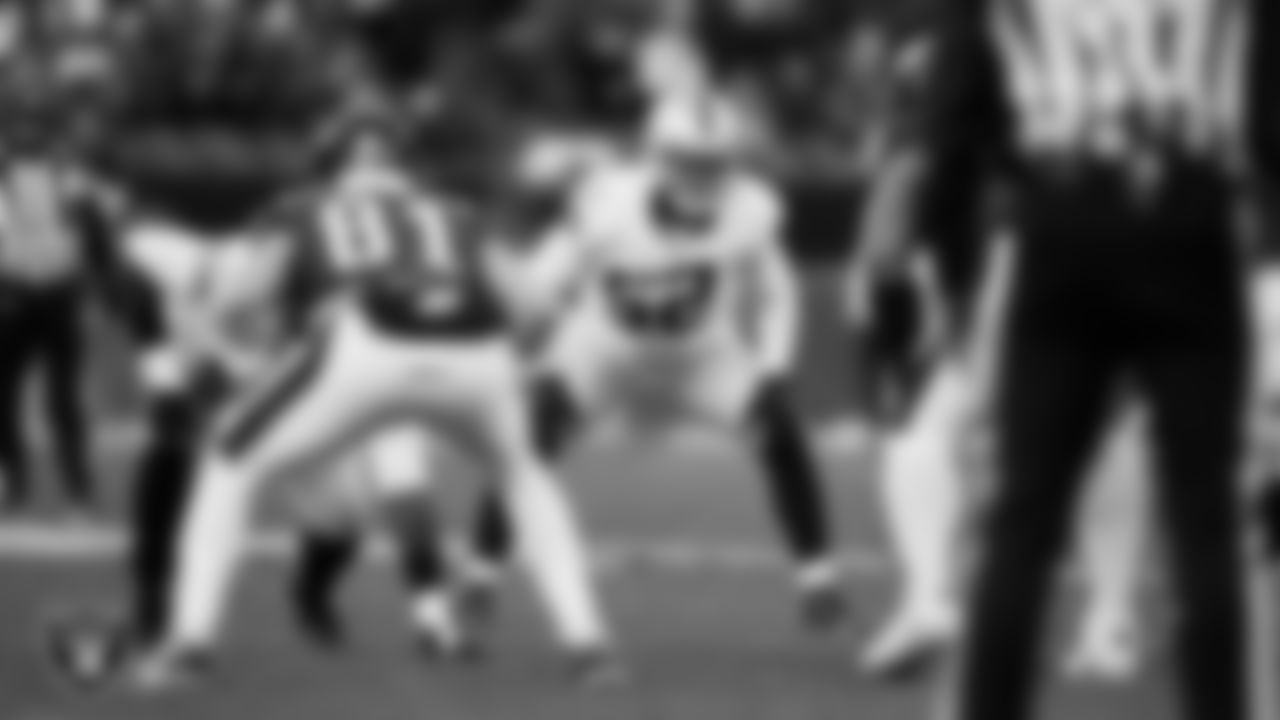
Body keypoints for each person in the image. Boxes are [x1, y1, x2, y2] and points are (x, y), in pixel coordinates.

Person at [852, 0, 1280, 718]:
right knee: (1206, 526)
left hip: (1058, 227)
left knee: (1022, 518)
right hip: (1191, 227)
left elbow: (953, 131)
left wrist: (956, 279)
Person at [460, 95, 846, 634]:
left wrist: (777, 366)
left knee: (781, 427)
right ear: (658, 157)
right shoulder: (607, 204)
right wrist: (522, 334)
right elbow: (546, 275)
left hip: (705, 356)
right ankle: (481, 573)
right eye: (691, 160)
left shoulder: (751, 209)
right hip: (602, 350)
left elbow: (778, 290)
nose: (704, 174)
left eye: (714, 162)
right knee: (527, 439)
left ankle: (816, 574)